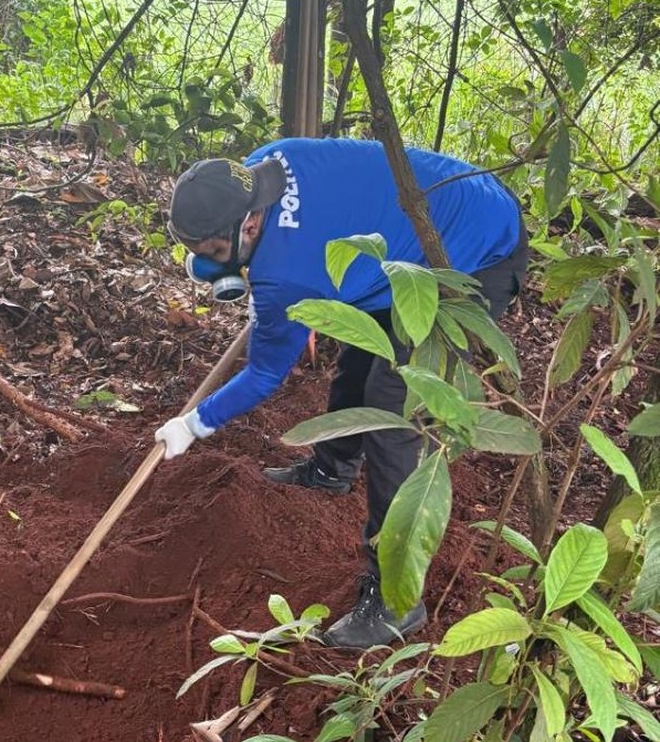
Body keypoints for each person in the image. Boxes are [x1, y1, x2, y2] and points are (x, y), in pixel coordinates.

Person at [155, 137, 528, 650]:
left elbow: (264, 375)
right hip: (425, 222)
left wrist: (193, 424)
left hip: (477, 251)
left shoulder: (287, 272)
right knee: (360, 352)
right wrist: (227, 263)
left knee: (392, 402)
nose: (216, 267)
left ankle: (398, 599)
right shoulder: (265, 162)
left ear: (248, 224)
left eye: (218, 253)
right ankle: (332, 469)